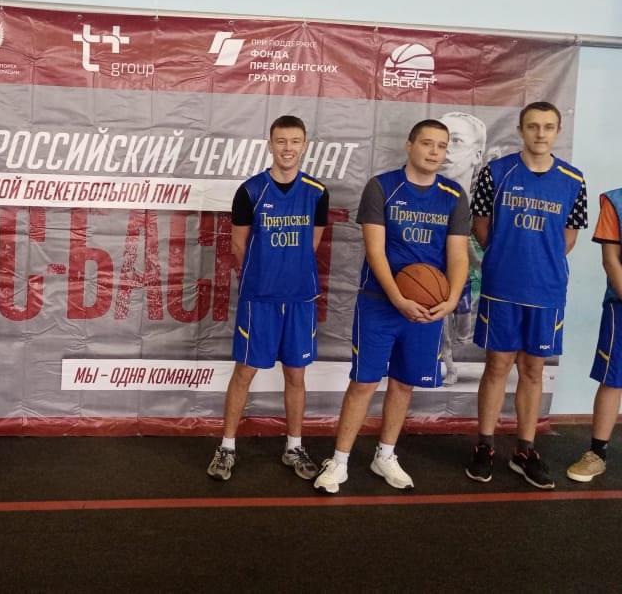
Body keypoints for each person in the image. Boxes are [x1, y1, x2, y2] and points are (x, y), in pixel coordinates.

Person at [314, 120, 469, 494]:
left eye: (442, 146)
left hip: (427, 308)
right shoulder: (382, 186)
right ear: (409, 145)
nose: (434, 152)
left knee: (403, 383)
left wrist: (450, 300)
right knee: (364, 382)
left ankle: (385, 455)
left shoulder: (453, 195)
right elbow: (375, 250)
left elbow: (458, 255)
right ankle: (339, 461)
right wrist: (399, 298)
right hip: (380, 303)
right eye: (427, 143)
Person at [465, 101, 587, 490]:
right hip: (502, 287)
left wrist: (539, 260)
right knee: (497, 365)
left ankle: (524, 450)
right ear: (520, 129)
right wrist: (507, 258)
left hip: (546, 290)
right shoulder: (496, 172)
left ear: (558, 131)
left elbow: (569, 236)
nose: (540, 133)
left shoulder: (573, 179)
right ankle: (484, 446)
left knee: (533, 370)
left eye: (548, 126)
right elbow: (480, 226)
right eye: (533, 126)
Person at [207, 116, 329, 482]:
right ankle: (227, 447)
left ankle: (294, 446)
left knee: (296, 374)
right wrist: (267, 274)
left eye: (295, 141)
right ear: (270, 145)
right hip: (259, 298)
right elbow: (239, 245)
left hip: (300, 298)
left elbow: (313, 243)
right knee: (244, 372)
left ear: (304, 145)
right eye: (281, 141)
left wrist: (290, 272)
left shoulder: (317, 192)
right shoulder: (250, 191)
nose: (288, 148)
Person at [566, 189, 622, 482]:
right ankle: (597, 454)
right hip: (620, 306)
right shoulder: (616, 201)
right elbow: (611, 261)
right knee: (613, 379)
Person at [438, 112, 487, 385]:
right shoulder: (414, 196)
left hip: (469, 282)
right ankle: (448, 366)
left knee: (462, 322)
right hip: (432, 280)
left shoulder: (487, 204)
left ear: (477, 154)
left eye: (456, 141)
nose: (445, 149)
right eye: (442, 140)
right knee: (441, 322)